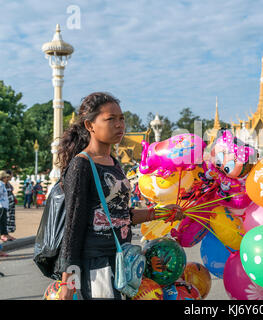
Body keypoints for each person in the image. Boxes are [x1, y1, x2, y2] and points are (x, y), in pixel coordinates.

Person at [56, 92, 185, 300]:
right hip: (96, 265)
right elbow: (73, 225)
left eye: (121, 118)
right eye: (110, 119)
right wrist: (67, 281)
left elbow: (123, 215)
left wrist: (160, 212)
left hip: (123, 261)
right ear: (90, 126)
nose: (119, 125)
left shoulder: (113, 163)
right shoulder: (82, 165)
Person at [0, 171, 13, 243]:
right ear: (3, 178)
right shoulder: (1, 185)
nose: (7, 178)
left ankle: (5, 234)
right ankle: (2, 235)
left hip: (4, 205)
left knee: (4, 221)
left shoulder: (2, 184)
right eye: (6, 177)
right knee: (2, 221)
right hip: (1, 205)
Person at [5, 170, 16, 237]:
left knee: (9, 220)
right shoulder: (2, 184)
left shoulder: (8, 184)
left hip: (10, 204)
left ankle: (7, 234)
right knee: (6, 219)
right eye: (12, 174)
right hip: (6, 205)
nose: (12, 176)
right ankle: (5, 234)